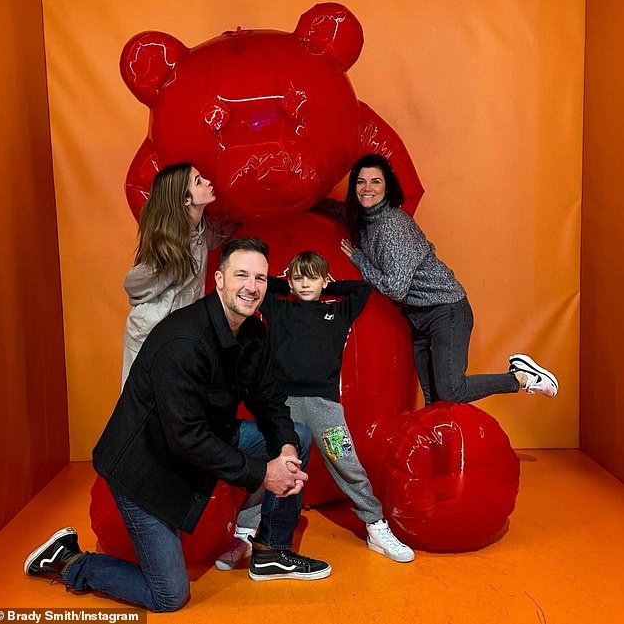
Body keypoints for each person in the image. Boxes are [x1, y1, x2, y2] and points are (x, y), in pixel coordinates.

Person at [24, 238, 331, 612]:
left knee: (297, 435)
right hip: (146, 470)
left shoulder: (253, 332)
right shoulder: (184, 340)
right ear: (219, 280)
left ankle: (271, 551)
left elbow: (267, 399)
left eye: (261, 278)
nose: (252, 287)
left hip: (201, 439)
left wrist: (283, 450)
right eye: (242, 275)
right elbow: (185, 437)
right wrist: (264, 474)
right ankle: (68, 560)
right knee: (169, 595)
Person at [215, 251, 414, 570]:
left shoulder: (339, 310)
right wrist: (291, 285)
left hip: (325, 409)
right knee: (269, 466)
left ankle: (376, 526)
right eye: (298, 278)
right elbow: (265, 289)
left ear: (325, 280)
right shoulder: (280, 308)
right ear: (290, 282)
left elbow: (360, 290)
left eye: (313, 277)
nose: (305, 283)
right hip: (282, 406)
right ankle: (244, 534)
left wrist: (327, 289)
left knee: (347, 463)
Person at [340, 153, 559, 406]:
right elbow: (342, 211)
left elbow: (396, 288)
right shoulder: (367, 220)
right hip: (419, 317)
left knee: (451, 391)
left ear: (387, 187)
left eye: (375, 181)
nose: (367, 188)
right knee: (435, 402)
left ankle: (521, 378)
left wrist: (359, 259)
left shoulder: (391, 226)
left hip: (445, 310)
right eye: (360, 182)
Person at [121, 161, 233, 386]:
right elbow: (132, 284)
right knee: (139, 407)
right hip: (149, 332)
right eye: (198, 182)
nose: (208, 183)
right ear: (186, 200)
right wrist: (166, 272)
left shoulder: (201, 231)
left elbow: (222, 232)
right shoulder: (169, 246)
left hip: (178, 334)